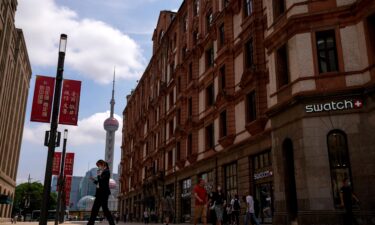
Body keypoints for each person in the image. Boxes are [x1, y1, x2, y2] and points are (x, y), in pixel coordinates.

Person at [87, 160, 115, 225]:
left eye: (99, 165)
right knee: (94, 210)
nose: (98, 167)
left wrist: (99, 174)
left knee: (105, 210)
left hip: (104, 194)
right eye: (97, 166)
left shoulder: (107, 171)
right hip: (99, 194)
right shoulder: (102, 172)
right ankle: (90, 223)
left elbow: (101, 181)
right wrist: (93, 180)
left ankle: (112, 223)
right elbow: (99, 183)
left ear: (103, 164)